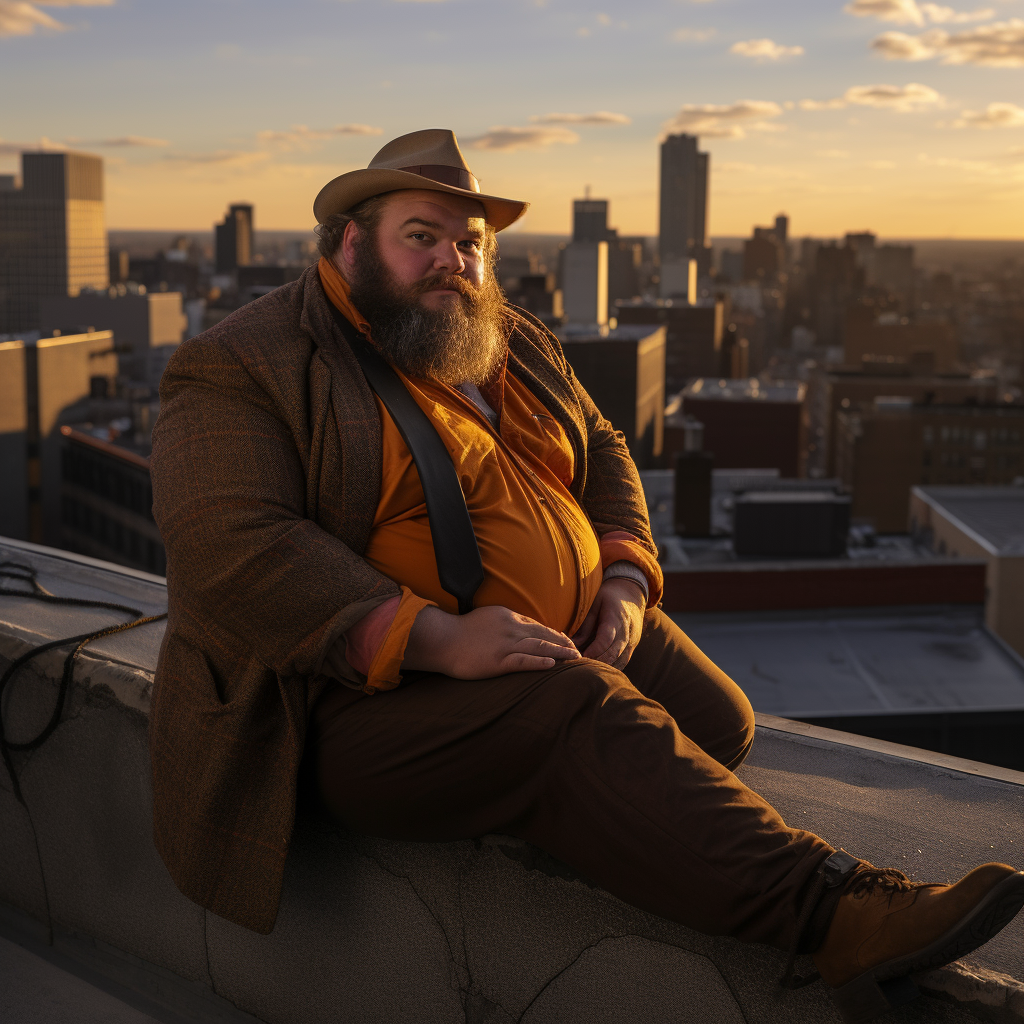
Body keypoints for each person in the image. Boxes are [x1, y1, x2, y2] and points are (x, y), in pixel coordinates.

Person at [149, 129, 1024, 1022]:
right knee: (579, 716)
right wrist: (438, 637)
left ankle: (567, 797)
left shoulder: (497, 334)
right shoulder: (247, 363)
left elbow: (603, 447)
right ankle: (840, 913)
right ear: (351, 238)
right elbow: (227, 546)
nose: (452, 258)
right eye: (423, 234)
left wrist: (625, 584)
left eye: (471, 241)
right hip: (349, 701)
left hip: (561, 633)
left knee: (721, 721)